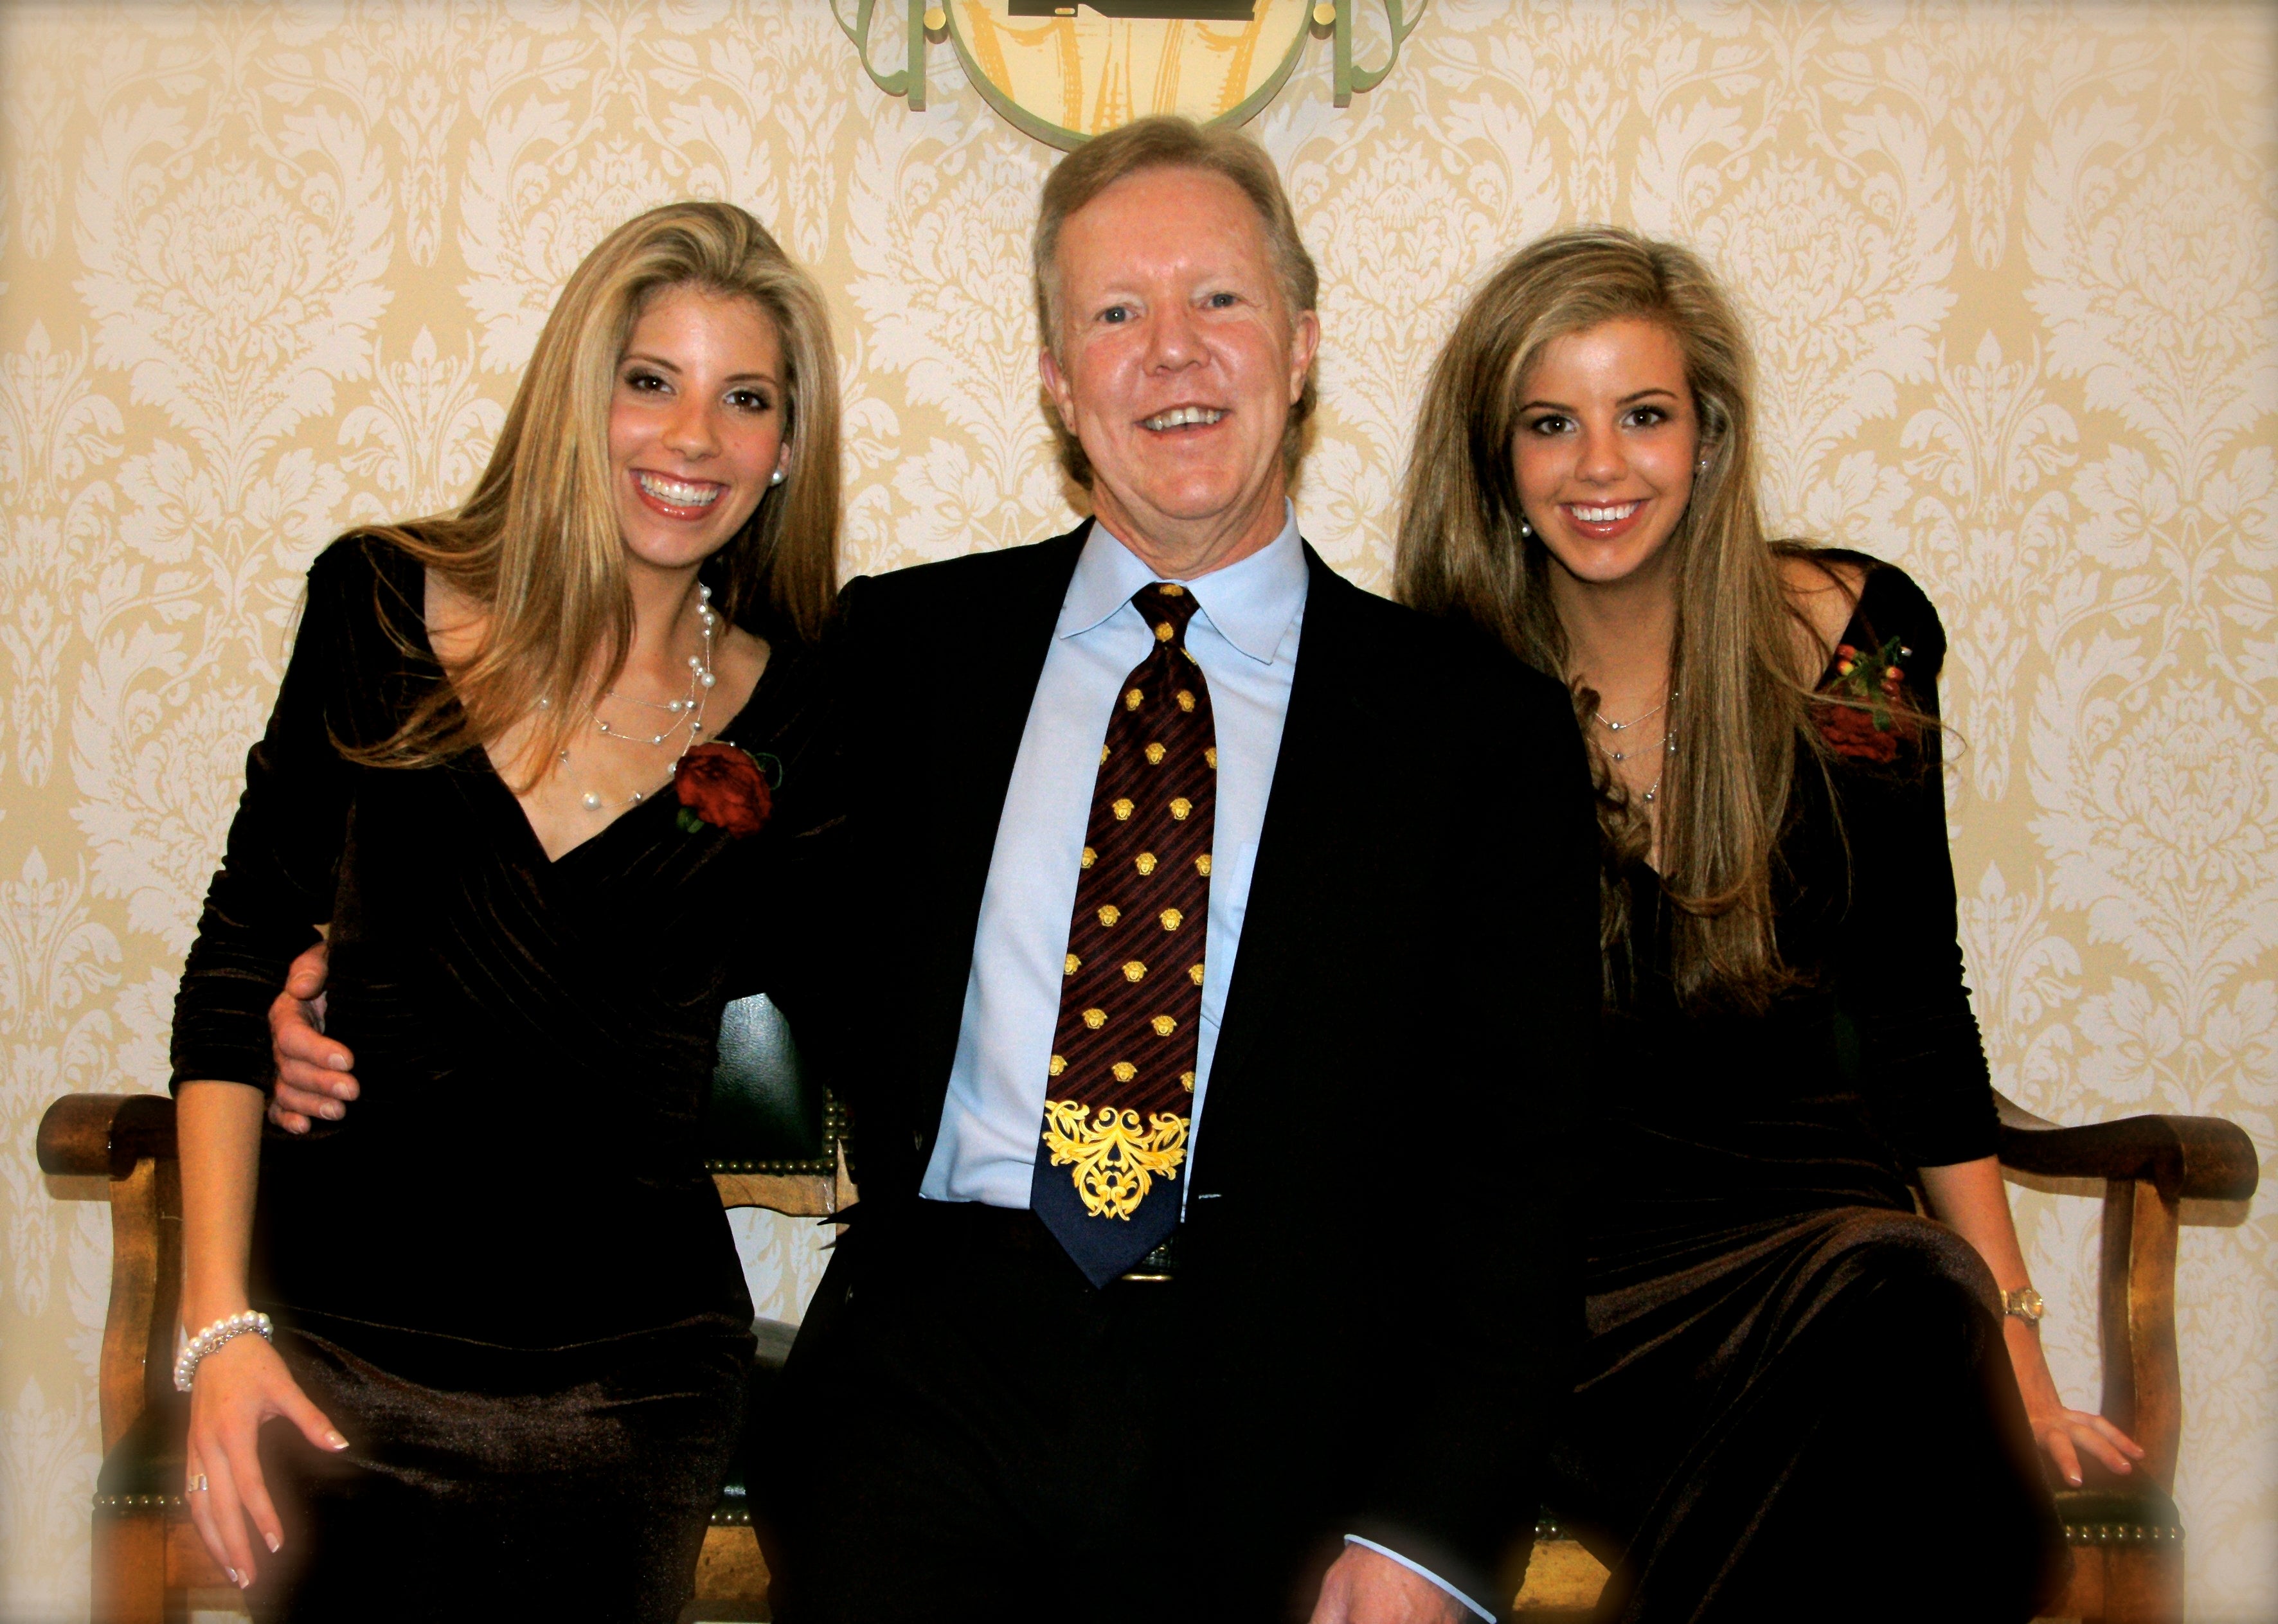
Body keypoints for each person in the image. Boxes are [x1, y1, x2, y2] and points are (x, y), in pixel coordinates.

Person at [272, 117, 1601, 1623]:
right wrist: (366, 981)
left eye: (1217, 302)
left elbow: (1522, 1175)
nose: (1170, 352)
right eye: (1114, 314)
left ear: (1299, 344)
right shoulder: (894, 658)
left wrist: (1428, 1530)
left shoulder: (1472, 726)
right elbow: (657, 894)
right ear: (1055, 381)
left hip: (1292, 1384)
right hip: (935, 1363)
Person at [1394, 225, 2140, 1621]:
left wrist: (2019, 1353)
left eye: (1644, 416)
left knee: (1903, 1302)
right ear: (1495, 462)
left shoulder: (1848, 641)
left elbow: (1918, 1011)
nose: (1600, 467)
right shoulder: (1439, 702)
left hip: (1826, 1257)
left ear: (1709, 434)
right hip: (1576, 1300)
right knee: (1892, 1437)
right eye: (1549, 423)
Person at [170, 201, 842, 1621]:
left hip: (632, 1373)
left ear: (784, 448)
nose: (689, 441)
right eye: (647, 380)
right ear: (576, 398)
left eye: (745, 399)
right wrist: (215, 1330)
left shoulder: (796, 720)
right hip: (340, 1345)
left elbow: (891, 978)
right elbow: (237, 970)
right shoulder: (380, 606)